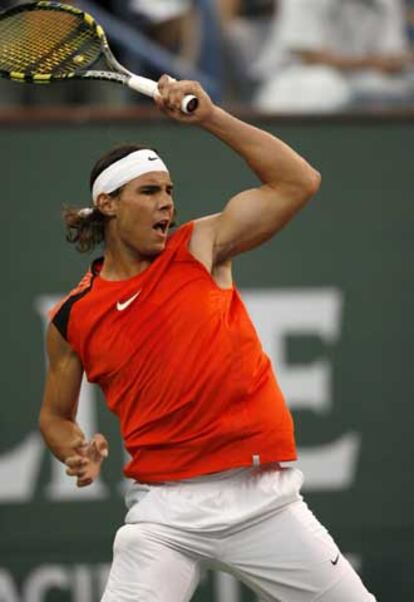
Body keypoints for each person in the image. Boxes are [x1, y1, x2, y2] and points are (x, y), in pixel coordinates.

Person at [38, 75, 377, 601]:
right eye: (149, 191)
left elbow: (299, 182)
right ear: (107, 204)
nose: (166, 203)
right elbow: (55, 417)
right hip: (164, 515)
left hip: (265, 503)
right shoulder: (72, 316)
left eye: (170, 191)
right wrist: (74, 450)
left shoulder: (200, 246)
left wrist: (212, 118)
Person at [253, 0, 414, 113]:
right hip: (294, 78)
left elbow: (390, 55)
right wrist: (372, 62)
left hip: (360, 78)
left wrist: (396, 61)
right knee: (323, 84)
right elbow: (310, 57)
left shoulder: (388, 2)